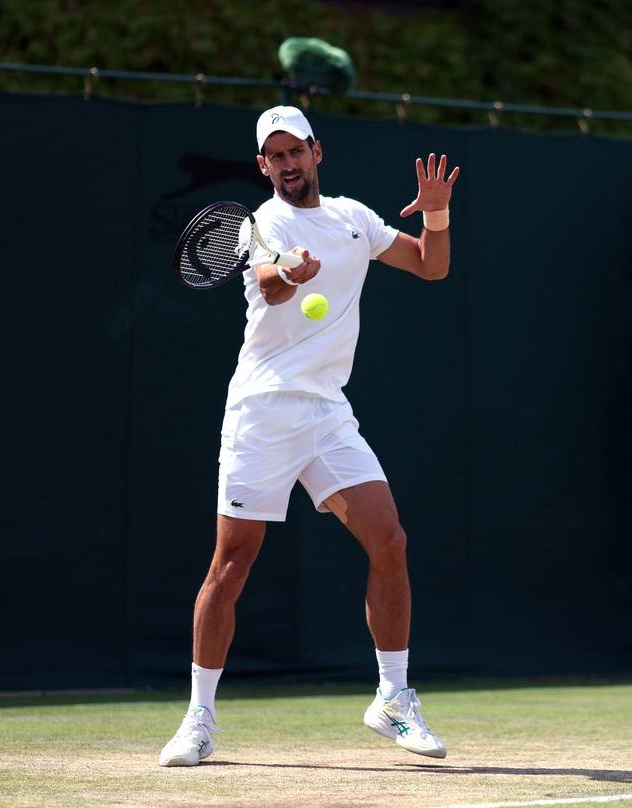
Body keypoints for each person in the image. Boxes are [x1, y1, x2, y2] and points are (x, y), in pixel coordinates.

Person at [159, 105, 460, 766]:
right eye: (275, 156)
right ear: (263, 166)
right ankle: (199, 718)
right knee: (230, 564)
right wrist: (290, 274)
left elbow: (430, 266)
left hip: (327, 413)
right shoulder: (263, 223)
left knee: (389, 540)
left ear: (316, 152)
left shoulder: (355, 218)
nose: (288, 164)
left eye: (296, 151)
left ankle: (392, 699)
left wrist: (436, 214)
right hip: (263, 412)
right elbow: (266, 284)